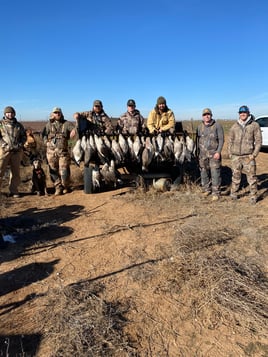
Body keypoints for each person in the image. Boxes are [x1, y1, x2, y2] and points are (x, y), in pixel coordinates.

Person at [228, 105, 262, 204]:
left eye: (244, 112)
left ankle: (253, 196)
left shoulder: (254, 125)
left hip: (248, 156)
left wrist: (254, 154)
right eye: (241, 112)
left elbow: (259, 141)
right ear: (239, 114)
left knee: (252, 178)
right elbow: (230, 141)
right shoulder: (234, 126)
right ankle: (233, 193)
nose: (242, 114)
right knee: (235, 176)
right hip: (236, 156)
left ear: (248, 113)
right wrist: (230, 154)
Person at [42, 107, 75, 195]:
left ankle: (65, 186)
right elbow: (44, 135)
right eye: (55, 113)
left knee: (64, 171)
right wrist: (46, 143)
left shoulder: (66, 123)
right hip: (51, 152)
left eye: (58, 112)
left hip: (63, 152)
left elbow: (74, 129)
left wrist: (73, 131)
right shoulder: (48, 124)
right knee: (53, 170)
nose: (57, 114)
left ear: (61, 113)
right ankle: (58, 187)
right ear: (53, 114)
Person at [196, 108, 224, 201]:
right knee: (203, 172)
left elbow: (221, 140)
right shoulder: (199, 127)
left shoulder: (217, 126)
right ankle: (206, 189)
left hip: (214, 154)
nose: (206, 116)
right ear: (202, 116)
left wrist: (218, 152)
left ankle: (216, 192)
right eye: (205, 115)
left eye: (208, 114)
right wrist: (197, 153)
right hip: (202, 154)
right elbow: (197, 140)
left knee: (215, 172)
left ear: (211, 115)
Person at [0, 106, 26, 197]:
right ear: (5, 114)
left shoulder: (19, 125)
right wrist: (4, 145)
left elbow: (24, 137)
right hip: (4, 151)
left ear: (14, 114)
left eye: (11, 113)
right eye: (7, 113)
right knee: (0, 171)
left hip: (16, 152)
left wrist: (20, 145)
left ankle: (14, 190)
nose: (9, 114)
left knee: (15, 172)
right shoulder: (1, 124)